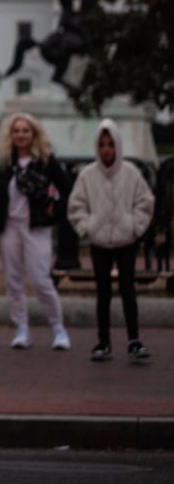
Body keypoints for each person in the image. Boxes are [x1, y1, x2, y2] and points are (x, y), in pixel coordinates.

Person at [0, 113, 72, 351]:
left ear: (34, 134)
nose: (20, 135)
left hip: (36, 228)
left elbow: (68, 191)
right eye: (16, 131)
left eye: (25, 130)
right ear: (11, 135)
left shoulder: (46, 161)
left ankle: (58, 328)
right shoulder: (4, 163)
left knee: (41, 280)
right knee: (13, 281)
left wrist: (54, 210)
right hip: (10, 228)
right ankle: (22, 329)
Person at [68, 120, 155, 362]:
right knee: (103, 292)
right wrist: (87, 228)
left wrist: (134, 227)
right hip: (99, 243)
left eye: (111, 144)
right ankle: (103, 341)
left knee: (128, 290)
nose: (107, 150)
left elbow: (145, 202)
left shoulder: (130, 173)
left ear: (118, 146)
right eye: (102, 145)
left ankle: (134, 340)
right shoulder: (87, 175)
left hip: (126, 241)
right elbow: (76, 205)